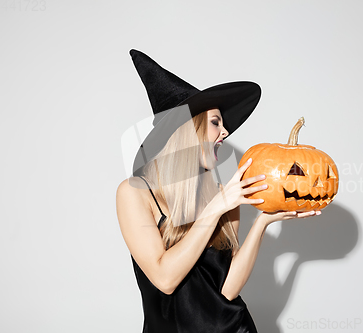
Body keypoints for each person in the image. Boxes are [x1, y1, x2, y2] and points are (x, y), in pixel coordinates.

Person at [116, 49, 321, 333]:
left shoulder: (223, 193)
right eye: (215, 122)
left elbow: (228, 289)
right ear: (187, 129)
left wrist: (262, 222)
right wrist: (215, 210)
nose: (225, 132)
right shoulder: (135, 192)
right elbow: (165, 279)